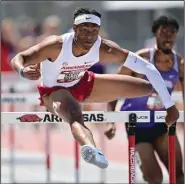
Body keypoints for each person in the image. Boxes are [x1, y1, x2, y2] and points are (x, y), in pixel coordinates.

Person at [11, 8, 179, 170]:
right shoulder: (56, 45)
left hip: (83, 83)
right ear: (74, 29)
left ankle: (140, 132)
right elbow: (20, 58)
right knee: (74, 113)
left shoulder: (105, 47)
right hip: (54, 91)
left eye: (94, 31)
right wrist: (23, 71)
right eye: (84, 30)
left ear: (99, 30)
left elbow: (148, 68)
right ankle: (92, 149)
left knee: (146, 87)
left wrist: (170, 105)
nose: (89, 36)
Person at [108, 15, 184, 183]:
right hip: (137, 126)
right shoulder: (140, 59)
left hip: (162, 123)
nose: (169, 36)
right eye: (164, 32)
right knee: (154, 178)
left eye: (173, 32)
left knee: (178, 174)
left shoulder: (179, 63)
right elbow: (113, 86)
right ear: (156, 34)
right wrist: (110, 120)